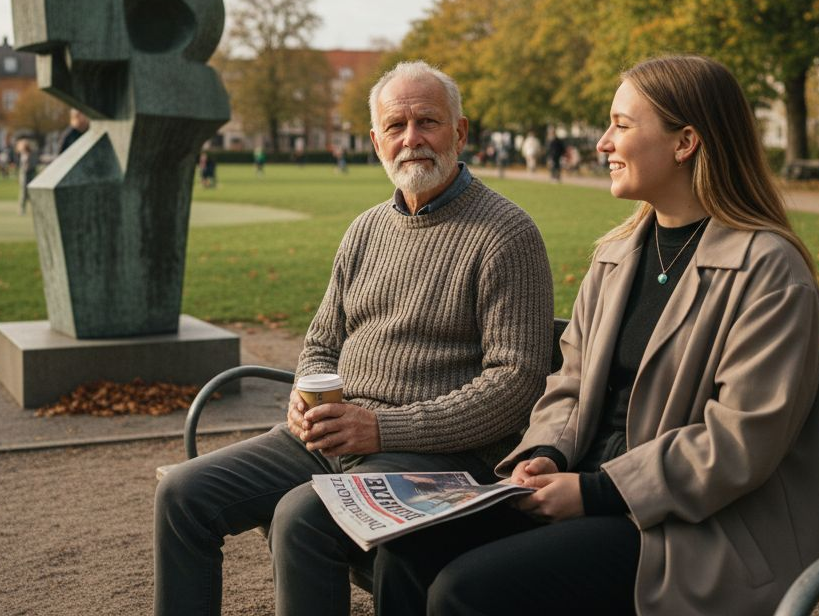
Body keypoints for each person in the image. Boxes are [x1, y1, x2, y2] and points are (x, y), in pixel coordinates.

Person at [374, 54, 819, 616]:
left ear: (684, 142)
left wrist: (595, 492)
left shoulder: (767, 270)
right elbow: (568, 384)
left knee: (465, 590)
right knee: (404, 552)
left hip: (691, 530)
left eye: (621, 124)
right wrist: (545, 453)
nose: (602, 143)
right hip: (590, 494)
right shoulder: (617, 256)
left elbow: (738, 443)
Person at [153, 60, 555, 616]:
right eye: (395, 126)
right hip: (332, 438)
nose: (411, 139)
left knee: (301, 517)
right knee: (183, 495)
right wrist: (303, 399)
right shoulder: (365, 229)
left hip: (434, 456)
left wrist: (381, 427)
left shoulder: (506, 234)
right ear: (375, 141)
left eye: (428, 123)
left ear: (460, 133)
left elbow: (515, 384)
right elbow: (321, 342)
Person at [17, 139, 38, 215]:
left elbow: (34, 164)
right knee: (23, 192)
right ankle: (22, 209)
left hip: (31, 173)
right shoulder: (22, 154)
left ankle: (35, 209)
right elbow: (21, 166)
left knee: (32, 192)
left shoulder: (32, 154)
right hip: (24, 174)